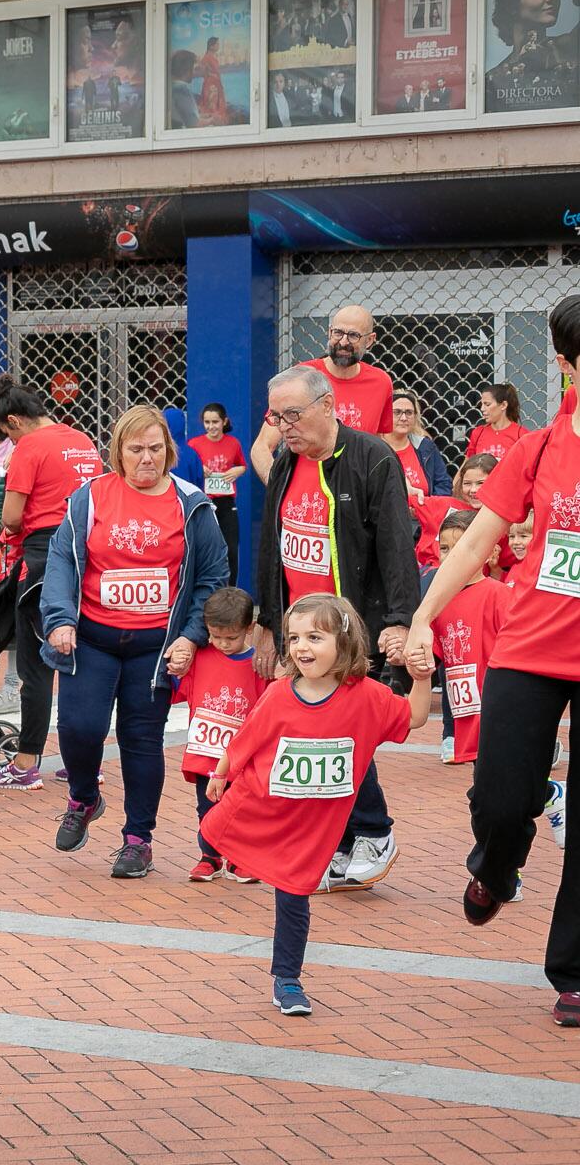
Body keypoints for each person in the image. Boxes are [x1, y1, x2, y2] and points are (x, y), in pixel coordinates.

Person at [408, 300, 580, 1027]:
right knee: (505, 799)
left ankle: (572, 972)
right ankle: (496, 865)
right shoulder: (539, 448)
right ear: (569, 362)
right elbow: (478, 544)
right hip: (534, 645)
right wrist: (421, 614)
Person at [203, 595, 430, 1017]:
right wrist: (219, 775)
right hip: (267, 808)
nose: (301, 647)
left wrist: (420, 678)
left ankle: (287, 978)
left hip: (316, 830)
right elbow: (245, 741)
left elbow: (413, 718)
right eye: (293, 638)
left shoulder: (368, 697)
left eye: (314, 637)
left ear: (343, 642)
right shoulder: (278, 695)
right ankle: (285, 977)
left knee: (294, 894)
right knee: (212, 835)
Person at [43, 407, 230, 876]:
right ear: (118, 453)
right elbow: (62, 560)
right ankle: (84, 798)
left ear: (168, 450)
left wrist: (191, 635)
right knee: (79, 728)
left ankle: (137, 840)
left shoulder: (192, 504)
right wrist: (60, 619)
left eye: (154, 448)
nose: (146, 459)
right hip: (92, 639)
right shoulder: (89, 498)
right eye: (135, 449)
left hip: (155, 647)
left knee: (140, 739)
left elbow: (212, 576)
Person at [254, 363, 420, 890]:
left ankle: (373, 831)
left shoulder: (373, 458)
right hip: (300, 630)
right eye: (277, 417)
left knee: (344, 728)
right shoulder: (286, 463)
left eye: (293, 415)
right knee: (315, 731)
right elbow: (270, 545)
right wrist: (269, 625)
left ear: (328, 407)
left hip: (350, 629)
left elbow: (397, 547)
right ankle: (344, 838)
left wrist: (399, 622)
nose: (285, 427)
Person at [0, 379, 103, 790]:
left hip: (44, 556)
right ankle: (87, 761)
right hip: (89, 551)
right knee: (86, 657)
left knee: (36, 663)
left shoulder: (30, 448)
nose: (11, 439)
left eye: (9, 432)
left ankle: (25, 762)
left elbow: (13, 517)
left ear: (15, 420)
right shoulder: (82, 440)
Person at [172, 587, 266, 883]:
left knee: (243, 808)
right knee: (207, 805)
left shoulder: (258, 665)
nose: (223, 644)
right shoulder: (200, 657)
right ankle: (209, 856)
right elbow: (177, 690)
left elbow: (268, 710)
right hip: (206, 752)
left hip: (242, 756)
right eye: (216, 636)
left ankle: (240, 857)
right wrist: (174, 669)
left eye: (231, 638)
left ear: (249, 629)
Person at [249, 306, 394, 480]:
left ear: (369, 340)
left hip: (359, 491)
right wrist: (279, 487)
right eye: (338, 332)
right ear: (329, 332)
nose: (343, 342)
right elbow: (262, 446)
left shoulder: (381, 382)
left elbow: (380, 441)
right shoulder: (302, 377)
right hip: (309, 493)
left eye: (353, 335)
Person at [428, 509, 506, 771]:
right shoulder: (436, 602)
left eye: (460, 547)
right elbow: (433, 655)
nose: (451, 556)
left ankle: (551, 794)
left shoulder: (498, 595)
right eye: (445, 548)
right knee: (484, 780)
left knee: (501, 778)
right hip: (465, 711)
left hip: (499, 709)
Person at [187, 402, 245, 567]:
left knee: (231, 549)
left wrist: (237, 471)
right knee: (204, 548)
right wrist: (200, 469)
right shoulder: (194, 444)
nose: (211, 426)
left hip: (227, 503)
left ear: (224, 422)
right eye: (207, 422)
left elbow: (242, 465)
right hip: (204, 502)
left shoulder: (233, 443)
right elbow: (189, 471)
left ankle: (230, 590)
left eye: (215, 422)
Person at [382, 391, 452, 504]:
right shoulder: (374, 447)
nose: (404, 418)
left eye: (409, 412)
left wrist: (427, 506)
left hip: (421, 517)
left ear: (415, 416)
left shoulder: (425, 447)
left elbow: (443, 484)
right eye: (397, 412)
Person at [466, 383, 531, 461]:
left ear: (503, 405)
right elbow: (467, 464)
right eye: (482, 404)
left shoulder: (522, 434)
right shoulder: (478, 432)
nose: (482, 409)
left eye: (487, 404)